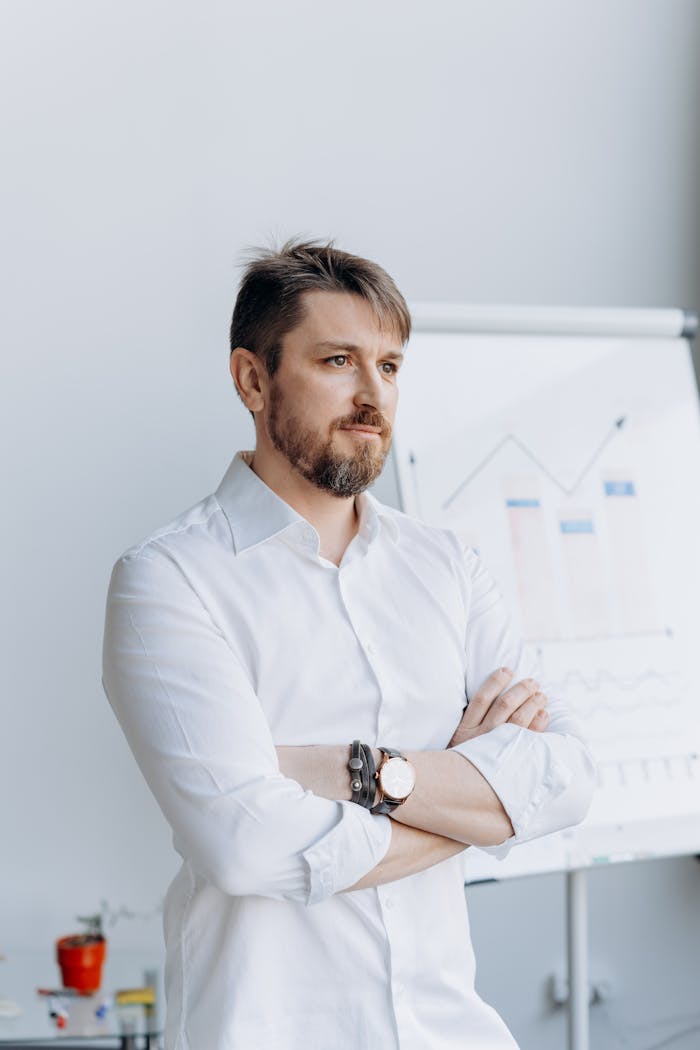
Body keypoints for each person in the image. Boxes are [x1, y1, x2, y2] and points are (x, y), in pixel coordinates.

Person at [102, 239, 595, 1050]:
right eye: (339, 360)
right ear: (251, 379)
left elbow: (567, 778)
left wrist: (356, 772)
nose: (374, 396)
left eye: (391, 367)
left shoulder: (449, 568)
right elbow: (248, 847)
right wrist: (475, 801)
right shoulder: (169, 581)